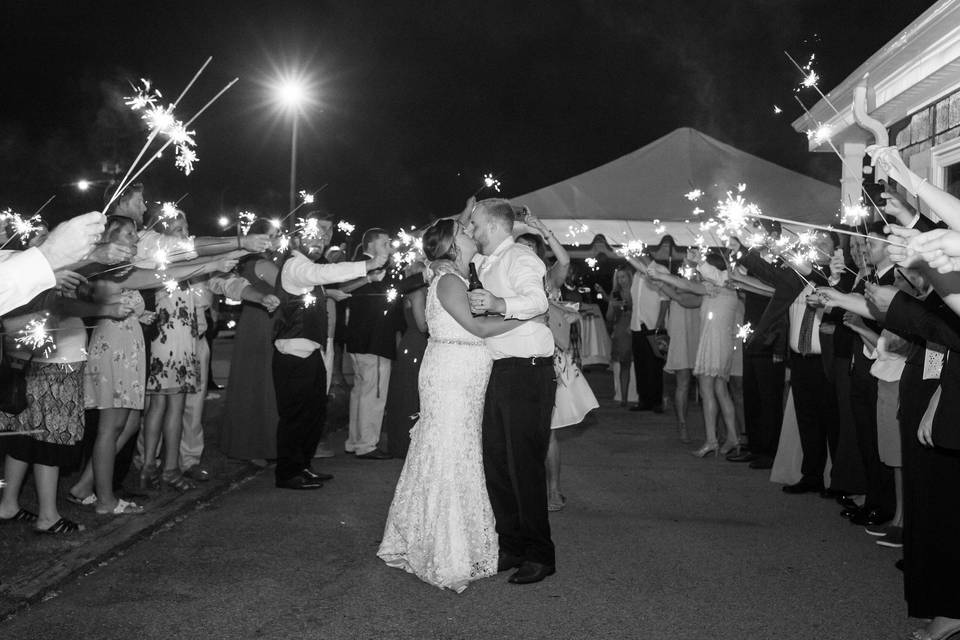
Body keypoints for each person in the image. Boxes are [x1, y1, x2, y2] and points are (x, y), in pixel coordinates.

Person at [379, 219, 535, 592]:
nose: (472, 234)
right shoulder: (448, 281)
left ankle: (437, 535)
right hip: (452, 374)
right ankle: (444, 546)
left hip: (463, 371)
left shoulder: (458, 276)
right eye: (465, 232)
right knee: (450, 450)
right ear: (452, 244)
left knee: (456, 449)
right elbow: (479, 329)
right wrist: (527, 315)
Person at [253, 218, 387, 490]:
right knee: (296, 416)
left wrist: (335, 293)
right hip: (293, 352)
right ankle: (288, 473)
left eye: (323, 236)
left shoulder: (307, 267)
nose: (321, 240)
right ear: (297, 239)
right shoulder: (295, 264)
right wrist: (369, 265)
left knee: (313, 413)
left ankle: (303, 465)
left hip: (310, 351)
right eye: (313, 236)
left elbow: (320, 284)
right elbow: (322, 274)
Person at [463, 198, 556, 585]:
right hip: (498, 370)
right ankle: (512, 545)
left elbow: (538, 301)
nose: (471, 230)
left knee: (524, 465)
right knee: (497, 464)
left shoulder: (520, 257)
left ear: (496, 225)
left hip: (527, 370)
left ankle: (540, 554)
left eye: (475, 224)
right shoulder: (482, 263)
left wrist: (500, 303)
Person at [516, 214, 598, 513]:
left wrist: (543, 232)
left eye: (530, 248)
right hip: (514, 357)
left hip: (548, 359)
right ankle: (524, 489)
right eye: (519, 247)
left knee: (547, 429)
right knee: (519, 431)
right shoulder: (505, 278)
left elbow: (563, 262)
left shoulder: (547, 278)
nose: (524, 252)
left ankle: (553, 490)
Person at [647, 254, 741, 457]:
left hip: (713, 343)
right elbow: (682, 297)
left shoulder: (715, 286)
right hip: (722, 342)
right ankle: (733, 437)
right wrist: (660, 281)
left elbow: (685, 285)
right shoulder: (726, 289)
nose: (698, 275)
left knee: (707, 391)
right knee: (720, 390)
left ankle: (711, 441)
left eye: (701, 272)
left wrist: (662, 276)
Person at [344, 228, 398, 459]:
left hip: (360, 339)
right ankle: (367, 444)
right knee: (373, 393)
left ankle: (355, 440)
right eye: (385, 243)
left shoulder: (362, 266)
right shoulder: (368, 268)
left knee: (360, 391)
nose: (390, 247)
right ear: (371, 245)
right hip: (373, 340)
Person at [0, 211, 117, 315]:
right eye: (42, 237)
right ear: (24, 243)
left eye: (48, 234)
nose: (48, 239)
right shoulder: (11, 262)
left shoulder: (41, 266)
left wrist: (93, 256)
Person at [380, 261, 428, 459]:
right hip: (416, 343)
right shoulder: (417, 294)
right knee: (409, 391)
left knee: (409, 390)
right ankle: (405, 443)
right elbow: (422, 325)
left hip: (412, 342)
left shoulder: (412, 293)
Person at [655, 257, 702, 444]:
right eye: (685, 265)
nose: (687, 268)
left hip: (699, 333)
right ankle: (682, 424)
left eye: (691, 265)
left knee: (706, 385)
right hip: (681, 336)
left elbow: (688, 300)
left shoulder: (703, 285)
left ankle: (713, 428)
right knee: (683, 382)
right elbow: (675, 297)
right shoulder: (673, 284)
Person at [605, 267, 635, 407]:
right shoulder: (615, 293)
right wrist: (612, 305)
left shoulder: (636, 291)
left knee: (636, 364)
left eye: (624, 277)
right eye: (619, 277)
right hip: (621, 330)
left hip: (635, 328)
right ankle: (623, 397)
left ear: (629, 277)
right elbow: (609, 317)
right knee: (624, 364)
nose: (621, 280)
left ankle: (637, 396)